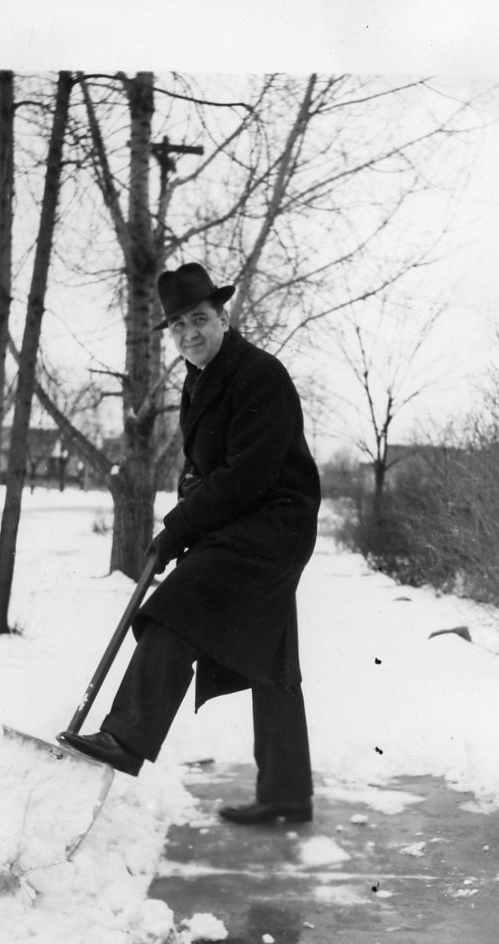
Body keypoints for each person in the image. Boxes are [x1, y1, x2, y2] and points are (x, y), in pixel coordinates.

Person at [61, 263, 321, 824]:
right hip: (245, 521)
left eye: (198, 319)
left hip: (274, 525)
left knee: (176, 608)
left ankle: (126, 737)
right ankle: (286, 793)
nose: (189, 334)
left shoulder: (260, 374)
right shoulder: (198, 379)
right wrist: (186, 507)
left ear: (223, 317)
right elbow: (202, 467)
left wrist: (180, 527)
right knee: (273, 660)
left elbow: (247, 474)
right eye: (177, 326)